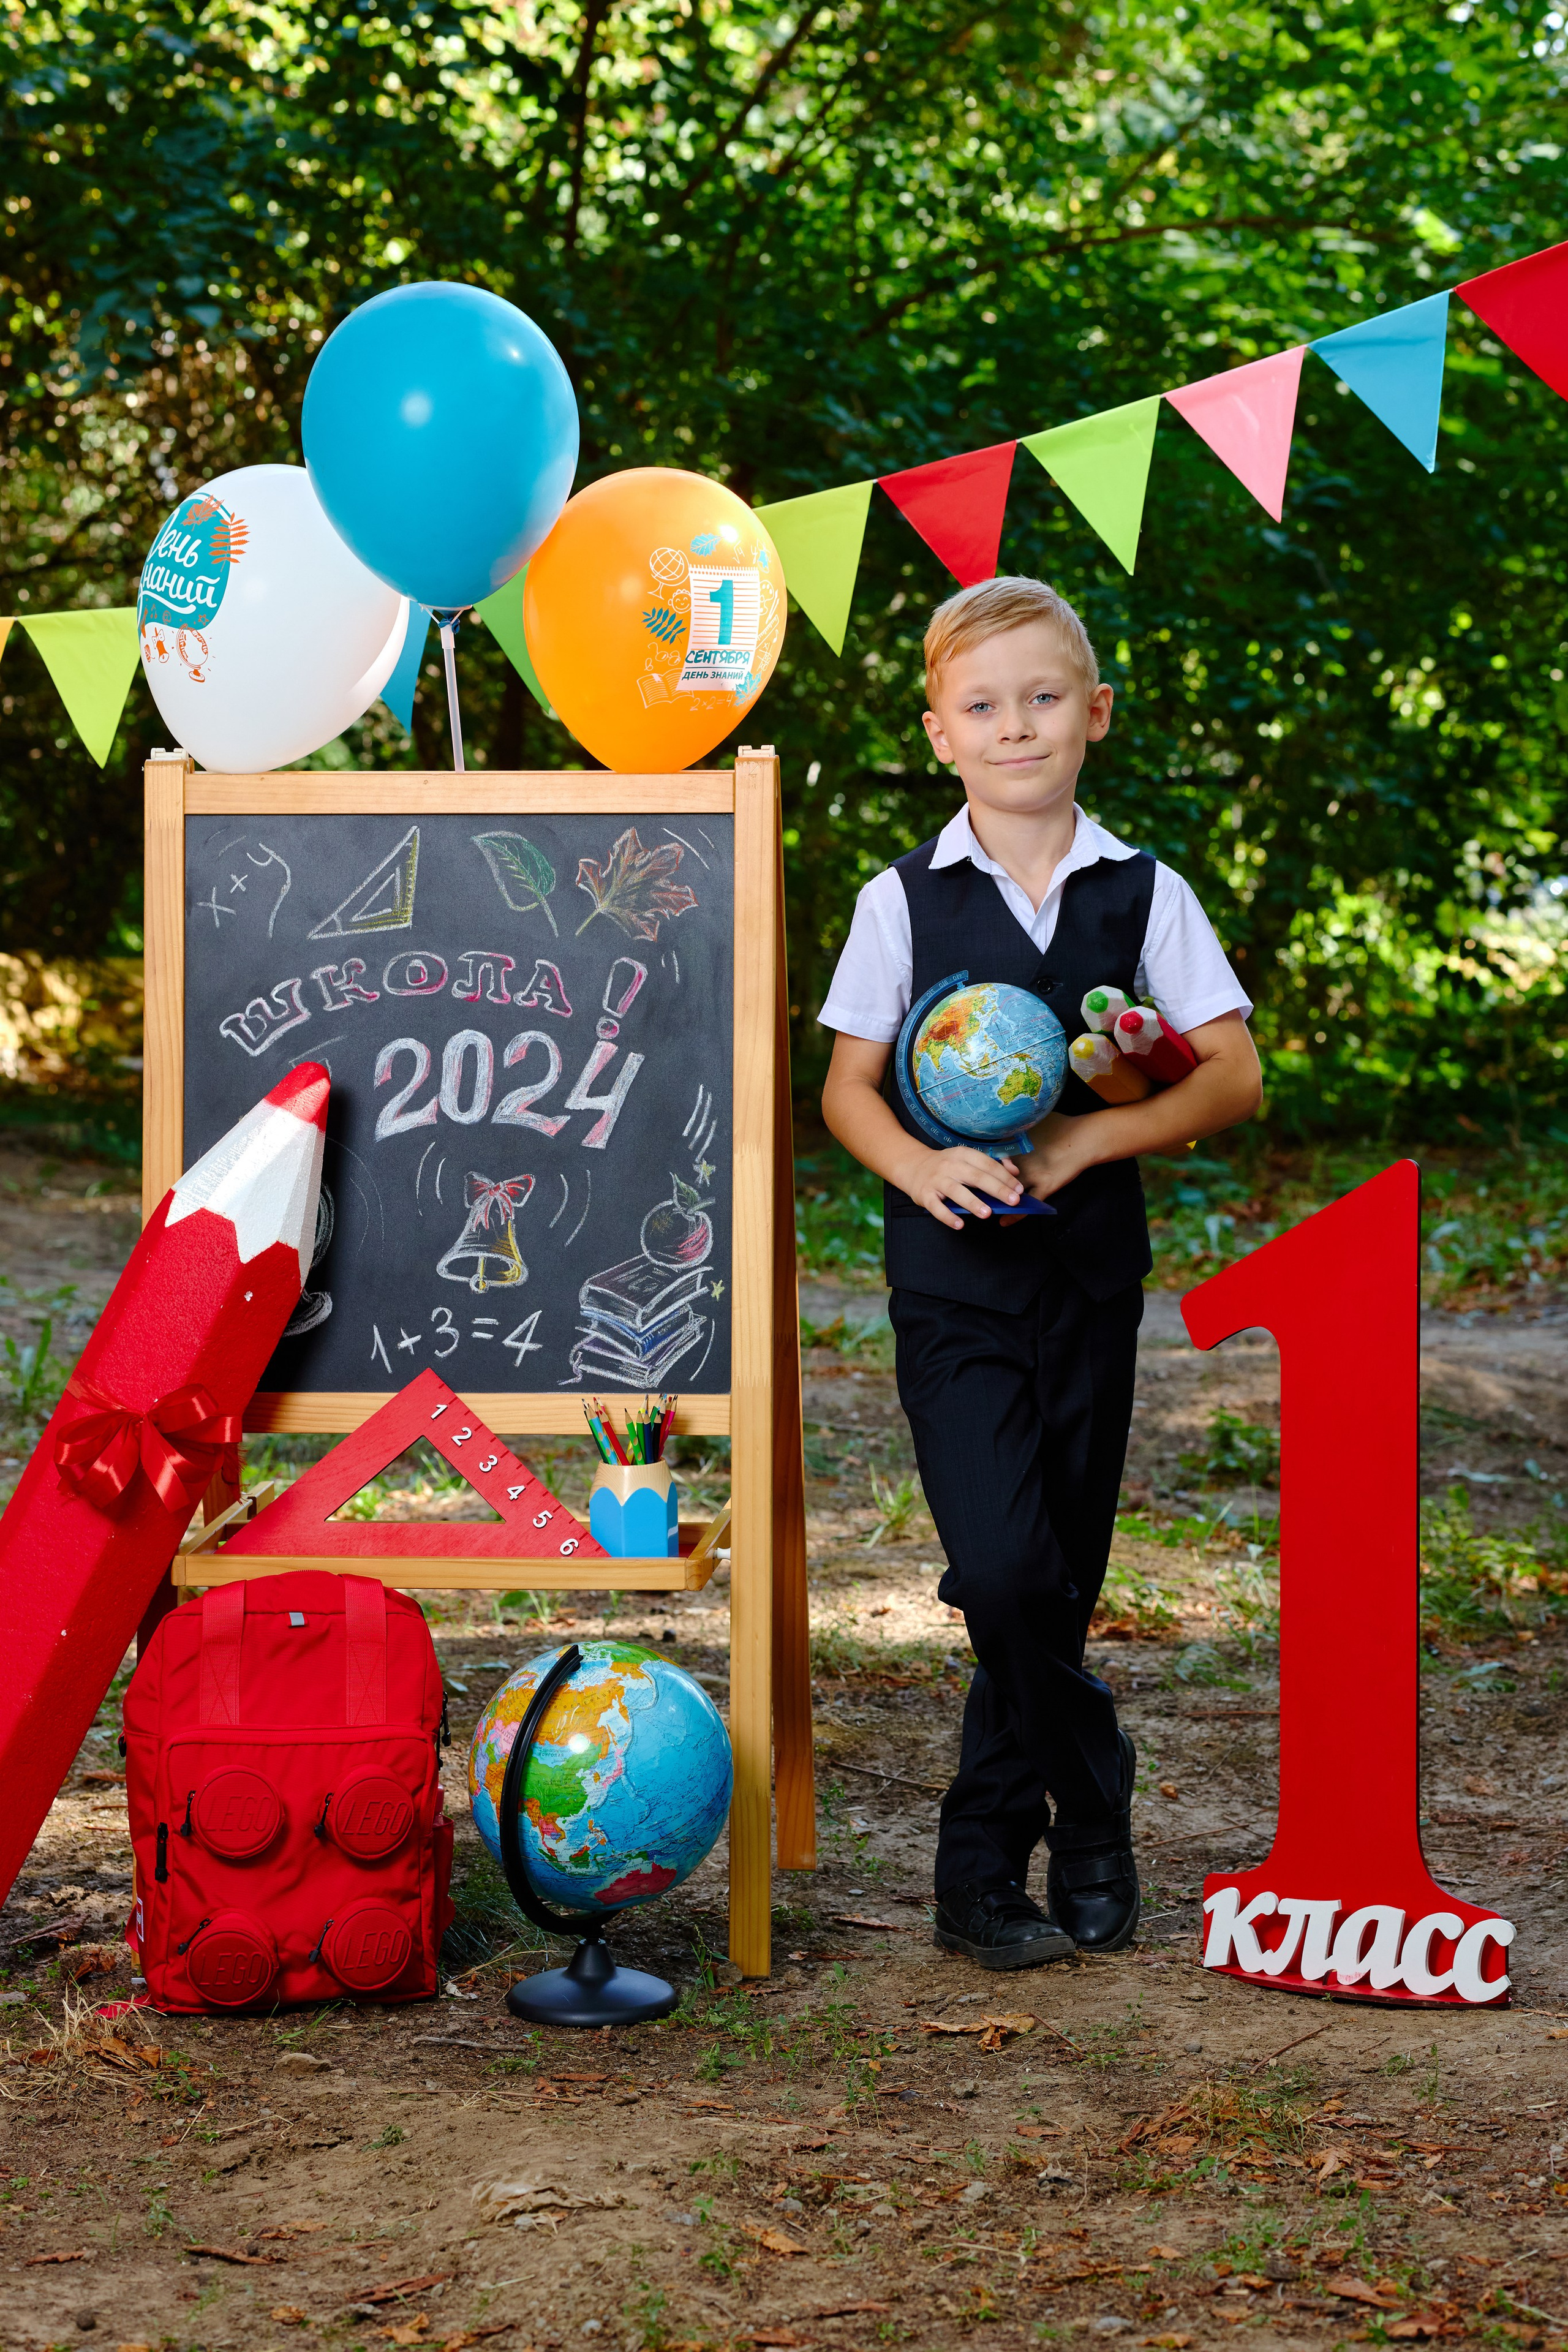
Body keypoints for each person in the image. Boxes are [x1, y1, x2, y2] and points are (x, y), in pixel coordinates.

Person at [818, 576, 1261, 1969]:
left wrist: (1085, 1141)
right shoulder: (899, 901)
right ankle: (1095, 1791)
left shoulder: (1146, 893)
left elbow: (1232, 1079)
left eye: (1043, 698)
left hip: (1084, 1283)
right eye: (982, 706)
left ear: (1093, 715)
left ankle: (982, 1875)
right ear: (941, 733)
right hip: (949, 1285)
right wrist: (913, 1163)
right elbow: (845, 1091)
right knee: (1001, 1570)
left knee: (1054, 1581)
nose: (1016, 727)